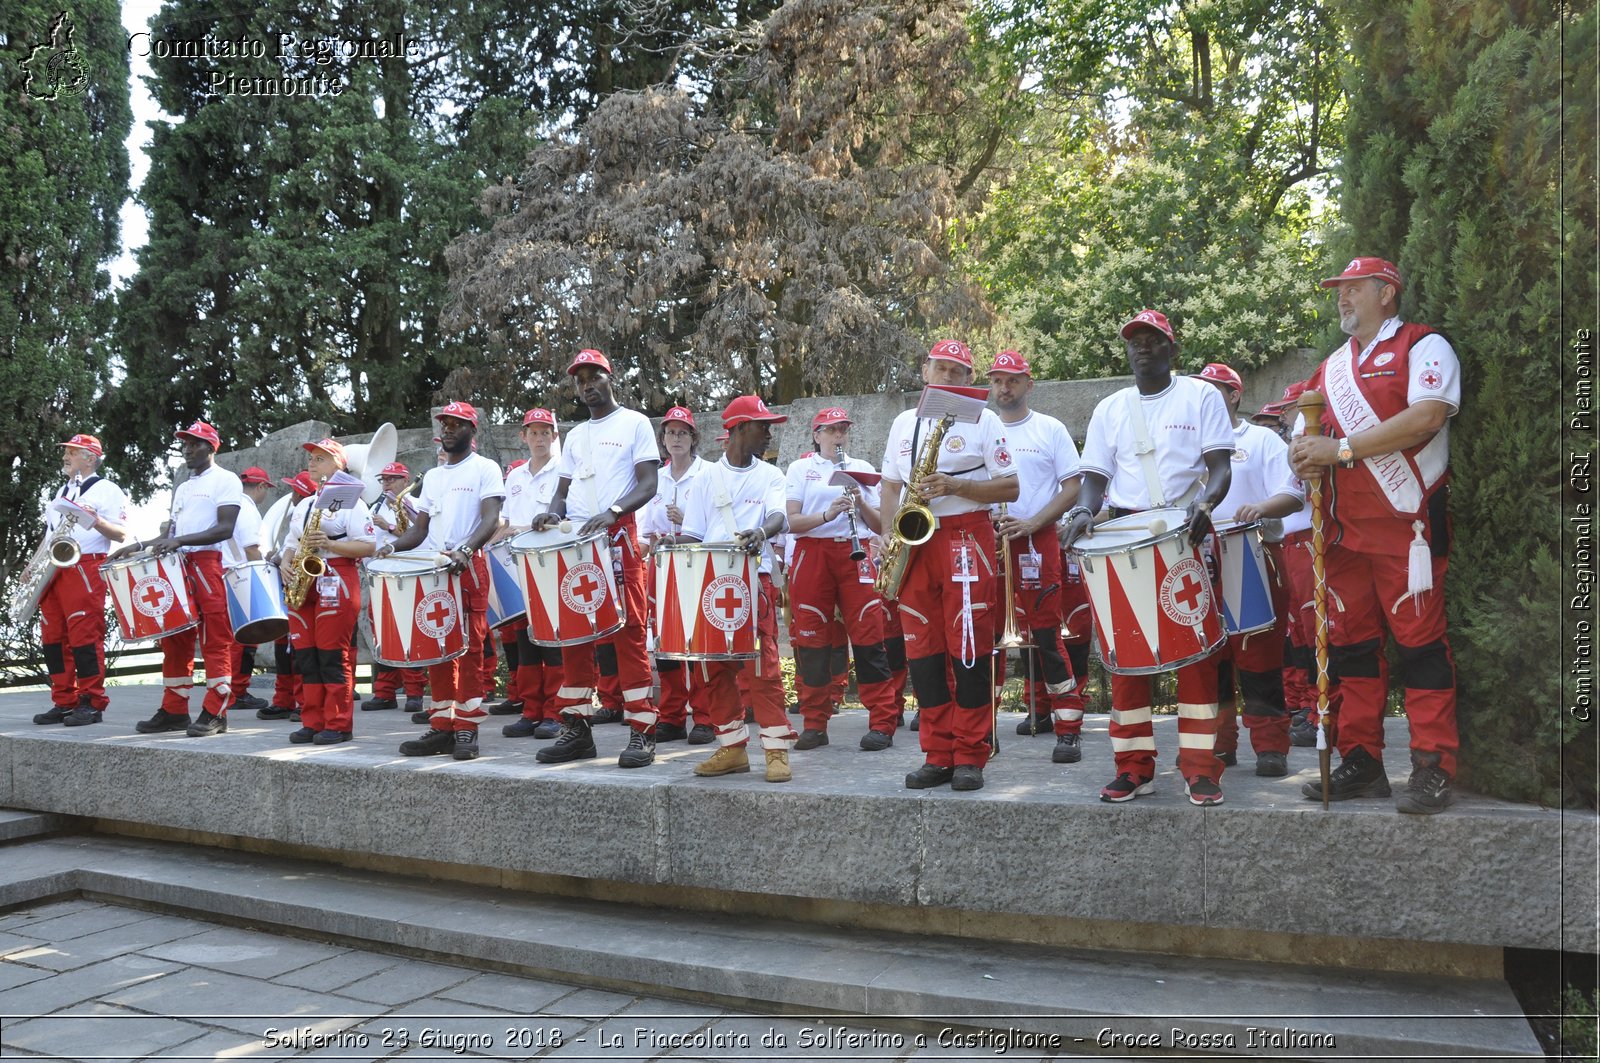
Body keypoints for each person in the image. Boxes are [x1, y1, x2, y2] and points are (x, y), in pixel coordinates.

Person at [1289, 257, 1462, 815]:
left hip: (1404, 531)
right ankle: (1362, 761)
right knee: (1352, 653)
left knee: (1421, 653)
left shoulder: (1423, 345)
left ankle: (1433, 767)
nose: (1343, 299)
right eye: (1339, 291)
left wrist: (1338, 451)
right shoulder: (1328, 369)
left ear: (1386, 293)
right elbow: (1302, 442)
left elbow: (1427, 417)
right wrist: (1303, 458)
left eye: (1354, 289)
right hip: (1341, 539)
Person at [1062, 311, 1234, 805]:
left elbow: (1219, 468)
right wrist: (1081, 512)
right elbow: (1094, 478)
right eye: (1135, 341)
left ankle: (1201, 768)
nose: (1142, 347)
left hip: (1186, 531)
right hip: (1123, 535)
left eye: (1153, 340)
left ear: (1171, 348)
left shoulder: (1200, 395)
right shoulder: (1110, 408)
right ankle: (1134, 767)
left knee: (1198, 654)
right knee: (1125, 657)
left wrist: (1206, 504)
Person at [879, 340, 1019, 792]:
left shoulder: (986, 419)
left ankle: (971, 754)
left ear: (969, 379)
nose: (950, 379)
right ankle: (937, 753)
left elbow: (1011, 487)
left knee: (969, 647)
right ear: (925, 371)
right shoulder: (903, 422)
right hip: (913, 540)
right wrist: (886, 532)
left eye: (959, 372)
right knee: (923, 653)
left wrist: (954, 485)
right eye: (942, 369)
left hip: (965, 536)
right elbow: (890, 484)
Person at [531, 350, 660, 769]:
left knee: (630, 635)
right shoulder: (574, 435)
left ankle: (642, 732)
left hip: (619, 538)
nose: (586, 385)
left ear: (610, 378)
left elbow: (648, 483)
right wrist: (553, 512)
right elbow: (563, 492)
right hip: (577, 544)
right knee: (575, 636)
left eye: (594, 376)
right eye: (579, 379)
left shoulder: (635, 423)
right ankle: (577, 731)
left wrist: (615, 512)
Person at [671, 395, 797, 782]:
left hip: (751, 576)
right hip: (708, 578)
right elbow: (691, 534)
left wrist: (761, 532)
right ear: (741, 428)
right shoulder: (706, 476)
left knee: (762, 664)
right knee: (714, 666)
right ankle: (731, 747)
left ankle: (776, 750)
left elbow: (778, 516)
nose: (769, 434)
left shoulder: (771, 475)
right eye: (763, 427)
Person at [1193, 363, 1305, 778]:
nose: (1203, 398)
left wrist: (1260, 508)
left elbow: (1294, 493)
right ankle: (1220, 743)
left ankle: (1271, 743)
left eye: (1213, 390)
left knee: (1258, 656)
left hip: (1252, 552)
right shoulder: (1188, 443)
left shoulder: (1259, 439)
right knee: (1209, 657)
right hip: (1197, 557)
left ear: (1234, 395)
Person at [379, 402, 505, 761]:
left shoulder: (486, 468)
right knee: (437, 646)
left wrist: (465, 549)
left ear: (472, 430)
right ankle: (442, 726)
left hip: (468, 565)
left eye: (456, 424)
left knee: (469, 649)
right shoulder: (432, 477)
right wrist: (390, 547)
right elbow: (420, 531)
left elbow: (491, 519)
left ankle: (466, 727)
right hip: (434, 569)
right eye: (444, 424)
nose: (448, 429)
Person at [985, 350, 1088, 765]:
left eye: (1012, 380)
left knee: (1047, 637)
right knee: (985, 641)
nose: (1003, 388)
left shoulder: (1050, 428)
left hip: (1036, 540)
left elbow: (1072, 487)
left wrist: (1032, 523)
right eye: (996, 380)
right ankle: (981, 733)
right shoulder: (978, 428)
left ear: (1029, 384)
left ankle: (1068, 730)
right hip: (987, 541)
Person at [119, 420, 244, 738]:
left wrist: (180, 541)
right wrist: (140, 546)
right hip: (177, 565)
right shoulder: (184, 486)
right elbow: (171, 533)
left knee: (215, 640)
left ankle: (216, 711)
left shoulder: (226, 480)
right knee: (174, 638)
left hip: (208, 564)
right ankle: (174, 710)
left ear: (211, 447)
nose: (187, 449)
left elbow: (225, 528)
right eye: (185, 444)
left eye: (194, 444)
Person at [785, 407, 899, 751]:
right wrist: (828, 513)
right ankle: (815, 723)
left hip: (857, 553)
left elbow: (882, 524)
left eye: (843, 430)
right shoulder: (800, 468)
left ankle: (882, 721)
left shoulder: (861, 468)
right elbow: (793, 521)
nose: (838, 436)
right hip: (813, 553)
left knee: (868, 635)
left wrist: (860, 499)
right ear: (816, 434)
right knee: (812, 641)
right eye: (831, 430)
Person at [279, 439, 376, 744]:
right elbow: (291, 543)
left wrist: (331, 544)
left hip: (337, 575)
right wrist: (285, 563)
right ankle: (312, 721)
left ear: (338, 465)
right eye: (311, 458)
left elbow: (369, 545)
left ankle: (338, 723)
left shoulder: (354, 503)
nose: (311, 462)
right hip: (303, 582)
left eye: (320, 458)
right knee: (306, 657)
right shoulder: (306, 503)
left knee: (332, 656)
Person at [31, 433, 129, 728]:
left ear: (89, 457)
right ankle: (64, 700)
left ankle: (91, 701)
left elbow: (121, 534)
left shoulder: (108, 489)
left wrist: (93, 518)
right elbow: (51, 533)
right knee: (52, 637)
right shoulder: (63, 489)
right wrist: (33, 564)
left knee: (84, 636)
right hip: (54, 566)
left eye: (71, 453)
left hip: (85, 565)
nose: (65, 457)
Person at [638, 405, 712, 743]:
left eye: (683, 432)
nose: (677, 438)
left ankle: (706, 716)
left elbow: (717, 525)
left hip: (696, 562)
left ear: (693, 437)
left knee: (698, 642)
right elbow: (643, 530)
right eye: (671, 432)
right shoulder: (655, 477)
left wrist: (687, 522)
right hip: (661, 564)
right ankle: (670, 715)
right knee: (664, 642)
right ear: (663, 439)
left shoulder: (709, 474)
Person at [497, 409, 568, 742]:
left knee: (552, 642)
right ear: (522, 437)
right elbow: (505, 522)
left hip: (551, 565)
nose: (539, 439)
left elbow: (566, 519)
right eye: (533, 432)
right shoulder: (514, 477)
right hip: (518, 566)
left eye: (545, 432)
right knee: (525, 643)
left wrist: (525, 528)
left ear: (555, 436)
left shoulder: (564, 471)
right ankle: (530, 710)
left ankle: (556, 712)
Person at [362, 462, 428, 715]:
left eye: (393, 479)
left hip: (404, 576)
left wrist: (388, 526)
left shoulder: (413, 503)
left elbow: (420, 534)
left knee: (407, 633)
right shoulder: (377, 504)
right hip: (379, 576)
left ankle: (414, 692)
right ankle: (385, 692)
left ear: (405, 480)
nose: (387, 483)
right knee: (382, 636)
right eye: (384, 479)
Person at [259, 471, 317, 722]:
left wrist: (279, 558)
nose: (291, 495)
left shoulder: (311, 514)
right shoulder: (295, 515)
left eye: (295, 490)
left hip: (303, 589)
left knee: (300, 649)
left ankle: (302, 701)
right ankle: (283, 700)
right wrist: (276, 556)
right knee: (283, 649)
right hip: (286, 589)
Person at [225, 466, 270, 715]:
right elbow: (252, 548)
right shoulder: (248, 508)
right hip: (242, 575)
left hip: (224, 574)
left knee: (230, 638)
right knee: (244, 640)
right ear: (261, 486)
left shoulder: (229, 503)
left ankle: (228, 689)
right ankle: (237, 691)